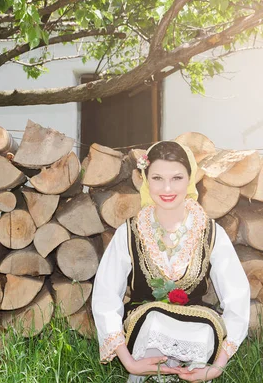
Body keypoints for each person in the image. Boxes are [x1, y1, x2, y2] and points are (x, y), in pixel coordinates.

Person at [92, 140, 250, 382]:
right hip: (145, 332)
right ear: (145, 179)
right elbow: (106, 295)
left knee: (202, 331)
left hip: (195, 334)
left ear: (190, 179)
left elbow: (237, 296)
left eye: (177, 178)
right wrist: (129, 362)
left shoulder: (210, 231)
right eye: (157, 178)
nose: (167, 188)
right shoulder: (130, 231)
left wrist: (217, 367)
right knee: (154, 321)